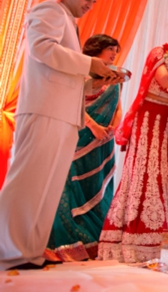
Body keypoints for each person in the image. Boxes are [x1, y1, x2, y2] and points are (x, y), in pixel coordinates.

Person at [0, 0, 116, 270]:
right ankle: (6, 250)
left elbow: (66, 73)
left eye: (93, 1)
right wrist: (90, 62)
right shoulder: (49, 10)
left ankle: (27, 252)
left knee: (47, 188)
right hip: (44, 110)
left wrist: (98, 80)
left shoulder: (67, 22)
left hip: (64, 115)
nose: (90, 5)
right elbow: (42, 49)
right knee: (27, 182)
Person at [98, 22, 168, 263]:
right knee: (143, 170)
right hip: (148, 117)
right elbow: (164, 81)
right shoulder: (159, 53)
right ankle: (132, 239)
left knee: (161, 173)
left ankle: (159, 238)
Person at [45, 35, 123, 262]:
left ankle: (96, 240)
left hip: (103, 140)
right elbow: (72, 103)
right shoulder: (81, 71)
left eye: (116, 51)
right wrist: (94, 126)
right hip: (80, 136)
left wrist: (112, 128)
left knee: (98, 186)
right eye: (110, 49)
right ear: (96, 50)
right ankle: (67, 240)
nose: (114, 54)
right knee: (70, 184)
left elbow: (118, 107)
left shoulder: (116, 74)